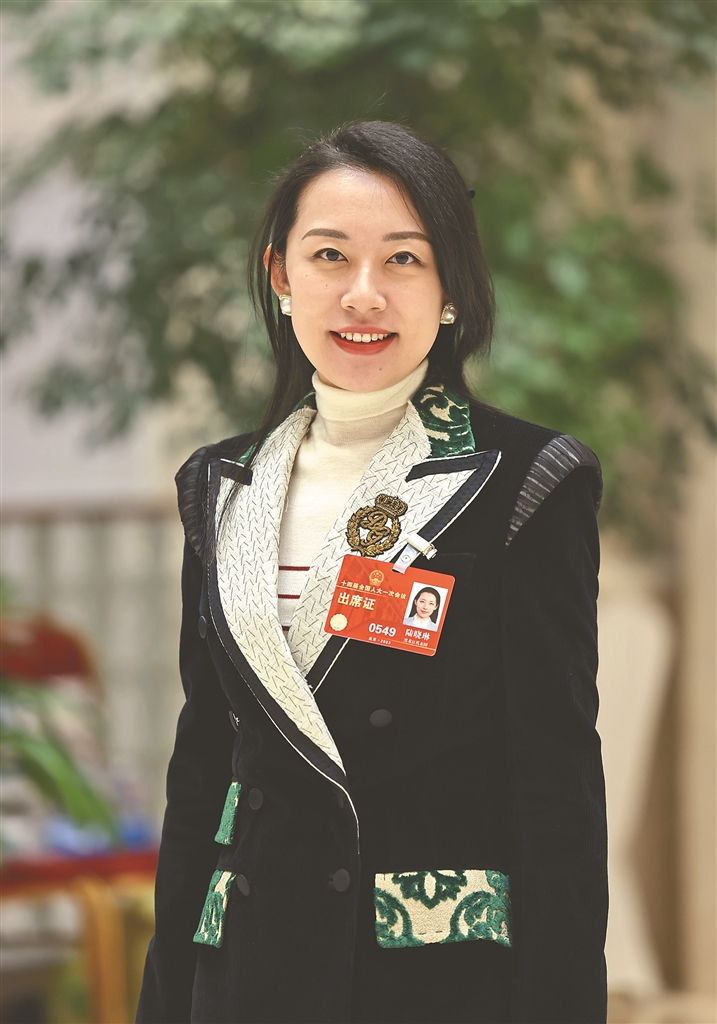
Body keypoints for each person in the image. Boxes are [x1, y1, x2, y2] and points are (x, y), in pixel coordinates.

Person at [137, 121, 607, 1024]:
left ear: (450, 287)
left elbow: (556, 792)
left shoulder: (525, 481)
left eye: (403, 260)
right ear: (280, 276)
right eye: (329, 256)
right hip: (250, 969)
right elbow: (201, 774)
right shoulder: (220, 485)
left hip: (432, 977)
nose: (363, 294)